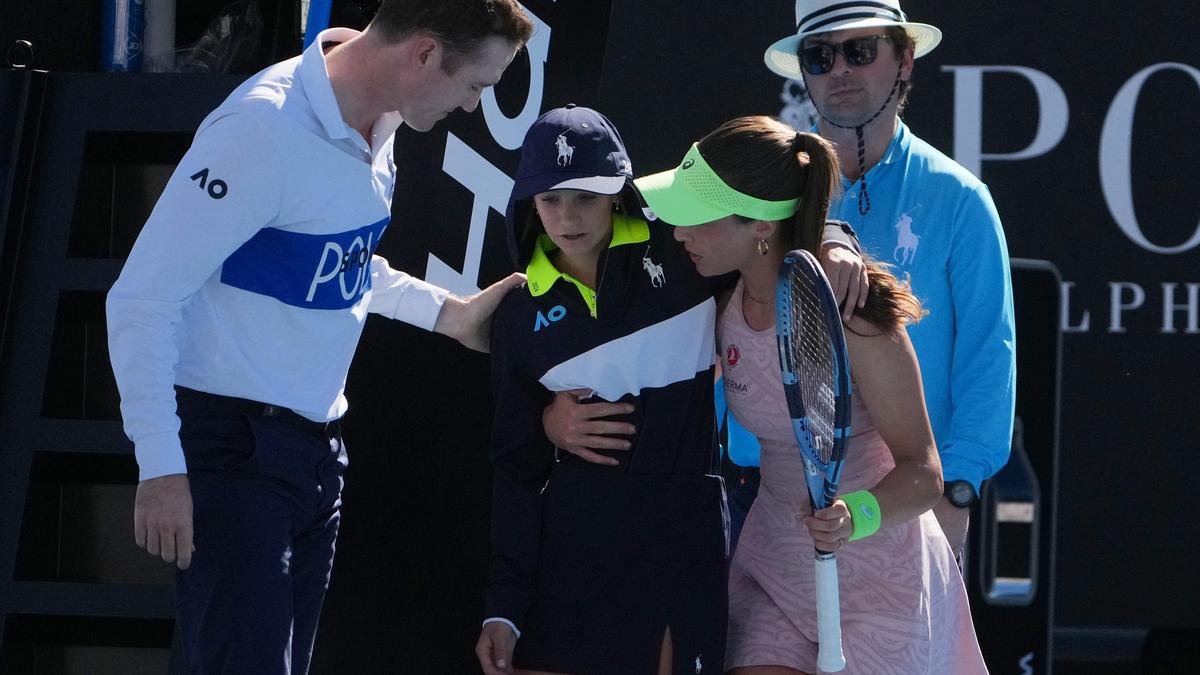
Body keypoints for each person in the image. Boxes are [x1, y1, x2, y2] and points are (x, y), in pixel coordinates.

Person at [104, 1, 534, 672]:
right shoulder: (261, 129)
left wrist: (447, 314)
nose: (474, 105)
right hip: (231, 456)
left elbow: (336, 261)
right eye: (475, 84)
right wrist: (160, 464)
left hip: (315, 461)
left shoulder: (383, 125)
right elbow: (142, 299)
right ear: (424, 53)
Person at [636, 114, 988, 674]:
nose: (679, 232)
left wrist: (855, 516)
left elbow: (924, 474)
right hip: (773, 562)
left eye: (697, 215)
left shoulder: (856, 318)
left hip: (879, 576)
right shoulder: (718, 301)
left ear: (760, 224)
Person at [473, 104, 731, 675]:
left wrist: (832, 236)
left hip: (683, 534)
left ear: (617, 192)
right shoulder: (517, 313)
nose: (567, 217)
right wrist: (505, 605)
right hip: (573, 546)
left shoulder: (684, 249)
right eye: (550, 199)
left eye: (586, 196)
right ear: (529, 203)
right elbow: (515, 469)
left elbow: (772, 229)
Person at [762, 0, 1017, 554]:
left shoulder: (960, 198)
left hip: (913, 510)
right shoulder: (768, 195)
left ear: (904, 60)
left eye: (859, 50)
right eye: (820, 56)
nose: (839, 70)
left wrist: (956, 488)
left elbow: (987, 356)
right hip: (780, 506)